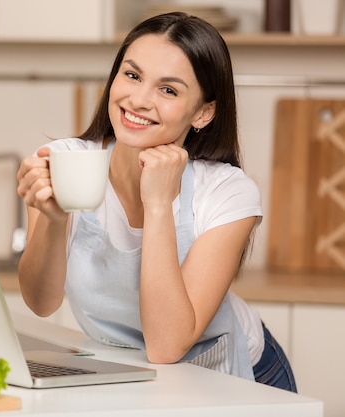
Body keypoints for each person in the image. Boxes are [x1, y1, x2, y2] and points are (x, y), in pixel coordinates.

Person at [15, 12, 297, 392]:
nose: (139, 99)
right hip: (128, 372)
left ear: (203, 112)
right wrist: (51, 220)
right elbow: (41, 301)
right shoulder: (67, 163)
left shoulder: (228, 191)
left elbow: (166, 346)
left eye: (169, 90)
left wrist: (159, 205)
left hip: (239, 376)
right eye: (132, 75)